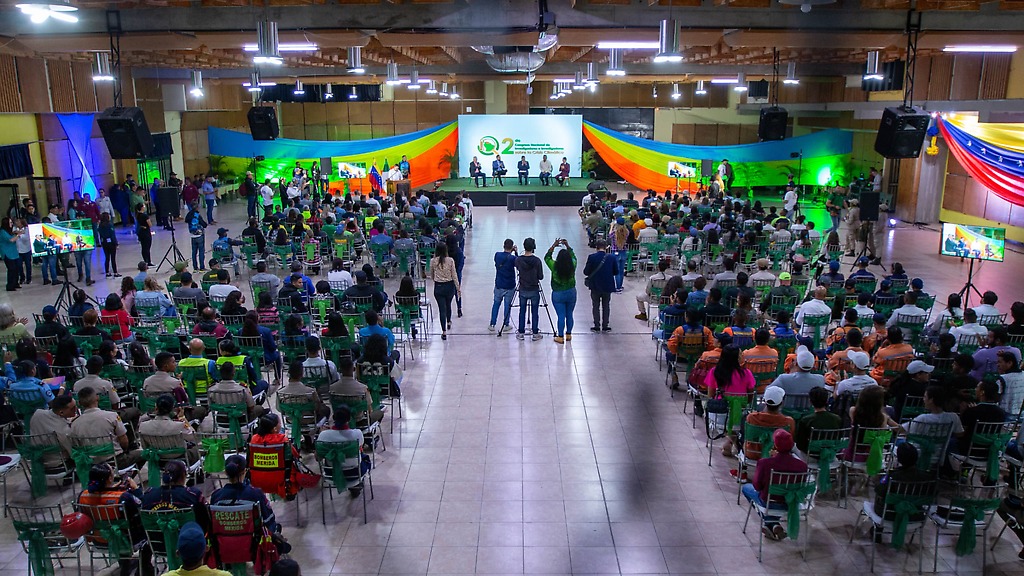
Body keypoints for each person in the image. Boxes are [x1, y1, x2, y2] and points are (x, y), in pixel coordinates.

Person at [78, 463, 150, 576]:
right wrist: (136, 489)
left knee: (116, 529)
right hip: (127, 540)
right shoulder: (122, 497)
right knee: (149, 530)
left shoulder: (82, 496)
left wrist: (114, 489)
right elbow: (143, 506)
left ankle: (125, 563)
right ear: (109, 478)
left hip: (98, 540)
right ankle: (144, 568)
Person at [210, 454, 290, 555]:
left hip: (224, 545)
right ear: (245, 471)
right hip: (253, 546)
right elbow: (268, 521)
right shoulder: (256, 494)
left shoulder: (216, 496)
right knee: (275, 527)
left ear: (225, 472)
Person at [741, 428, 807, 542]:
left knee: (746, 488)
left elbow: (757, 486)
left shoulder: (765, 463)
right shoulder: (802, 466)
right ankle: (774, 525)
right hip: (791, 503)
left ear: (775, 445)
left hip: (768, 502)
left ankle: (771, 523)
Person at [71, 386, 142, 468]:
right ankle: (129, 474)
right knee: (145, 454)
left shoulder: (74, 424)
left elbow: (77, 447)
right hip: (116, 461)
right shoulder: (111, 416)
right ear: (97, 398)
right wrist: (125, 450)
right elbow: (124, 440)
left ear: (79, 403)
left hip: (92, 464)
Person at [704, 344, 755, 456]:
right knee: (738, 415)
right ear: (737, 358)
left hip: (719, 415)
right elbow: (750, 394)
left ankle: (729, 441)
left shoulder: (715, 372)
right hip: (740, 415)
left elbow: (710, 395)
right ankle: (731, 441)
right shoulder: (746, 373)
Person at [316, 406, 371, 496]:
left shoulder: (323, 435)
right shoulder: (357, 434)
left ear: (333, 418)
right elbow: (360, 448)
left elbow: (317, 458)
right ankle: (356, 486)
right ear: (349, 419)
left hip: (331, 473)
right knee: (364, 457)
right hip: (355, 472)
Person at [545, 238, 577, 344]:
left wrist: (553, 246)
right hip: (571, 292)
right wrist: (568, 246)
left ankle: (560, 336)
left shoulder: (554, 266)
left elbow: (547, 257)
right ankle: (569, 334)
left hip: (558, 294)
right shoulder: (573, 265)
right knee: (569, 314)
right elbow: (574, 257)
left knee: (561, 315)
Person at [583, 239, 618, 333]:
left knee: (595, 305)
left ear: (596, 247)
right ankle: (605, 325)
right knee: (606, 305)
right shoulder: (612, 258)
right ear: (606, 247)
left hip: (595, 285)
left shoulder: (592, 257)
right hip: (607, 285)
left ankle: (597, 325)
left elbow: (586, 272)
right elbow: (616, 271)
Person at [513, 237, 545, 341]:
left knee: (522, 311)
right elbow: (540, 276)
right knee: (535, 312)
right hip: (534, 289)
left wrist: (516, 253)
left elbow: (517, 264)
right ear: (533, 247)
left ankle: (521, 333)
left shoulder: (519, 260)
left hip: (522, 289)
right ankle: (535, 333)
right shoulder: (537, 261)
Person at [794, 386, 841, 454]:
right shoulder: (837, 419)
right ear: (827, 400)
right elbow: (838, 440)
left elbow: (800, 445)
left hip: (810, 455)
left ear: (810, 401)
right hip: (831, 453)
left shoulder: (805, 420)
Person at [429, 242, 460, 340]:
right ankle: (449, 321)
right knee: (448, 304)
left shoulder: (433, 261)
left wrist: (435, 280)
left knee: (441, 309)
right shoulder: (450, 260)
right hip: (449, 286)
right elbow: (454, 274)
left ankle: (444, 331)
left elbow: (431, 274)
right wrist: (458, 287)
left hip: (438, 286)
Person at [489, 239, 517, 332]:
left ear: (503, 245)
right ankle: (506, 324)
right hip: (509, 285)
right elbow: (519, 263)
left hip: (499, 284)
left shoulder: (497, 255)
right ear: (512, 247)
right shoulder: (513, 258)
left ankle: (492, 324)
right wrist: (515, 252)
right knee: (507, 305)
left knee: (496, 304)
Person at [0, 217, 25, 291]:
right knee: (11, 269)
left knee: (16, 269)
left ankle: (15, 283)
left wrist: (16, 233)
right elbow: (11, 240)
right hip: (7, 253)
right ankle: (10, 285)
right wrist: (18, 234)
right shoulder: (3, 232)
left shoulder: (9, 231)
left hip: (13, 252)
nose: (12, 224)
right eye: (10, 223)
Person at [184, 201, 208, 271]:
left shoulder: (189, 215)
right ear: (197, 207)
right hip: (199, 235)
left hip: (192, 236)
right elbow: (204, 224)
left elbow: (186, 221)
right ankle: (202, 267)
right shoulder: (197, 215)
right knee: (201, 252)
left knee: (194, 252)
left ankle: (195, 267)